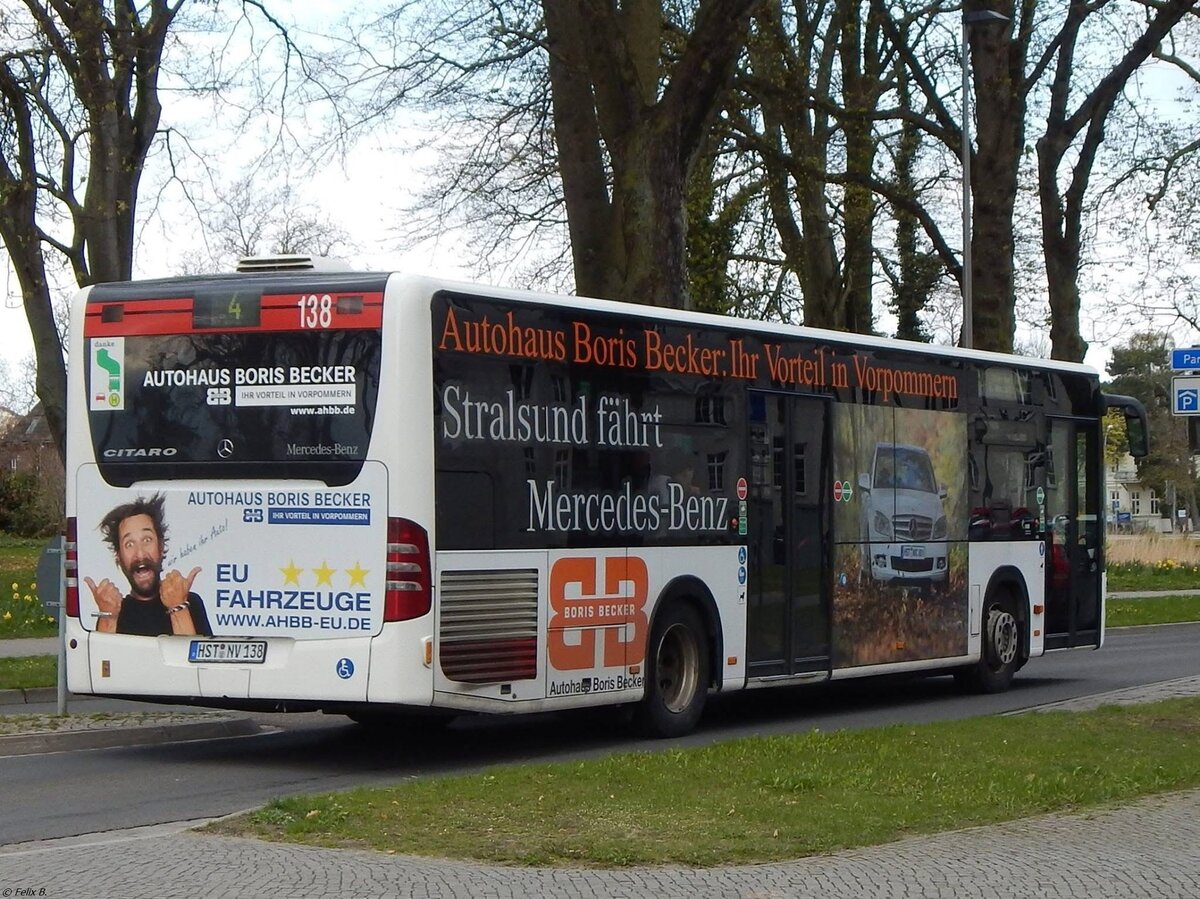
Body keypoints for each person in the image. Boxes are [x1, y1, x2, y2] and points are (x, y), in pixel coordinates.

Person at [84, 493, 212, 637]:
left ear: (161, 547)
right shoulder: (113, 611)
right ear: (119, 557)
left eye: (147, 540)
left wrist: (178, 607)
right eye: (129, 544)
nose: (140, 554)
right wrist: (108, 617)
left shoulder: (190, 603)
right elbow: (101, 658)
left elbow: (189, 658)